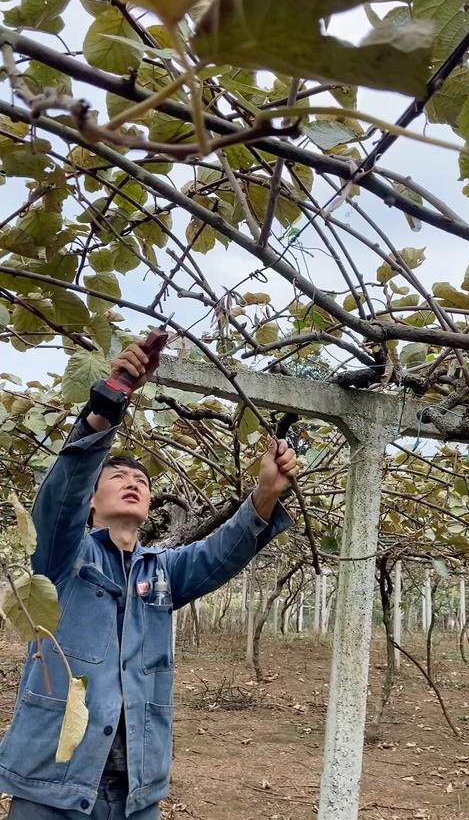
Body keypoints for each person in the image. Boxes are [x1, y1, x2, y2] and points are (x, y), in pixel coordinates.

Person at [0, 341, 297, 820]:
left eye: (141, 480)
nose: (133, 481)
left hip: (136, 787)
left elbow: (220, 553)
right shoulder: (62, 560)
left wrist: (264, 492)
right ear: (91, 504)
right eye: (116, 476)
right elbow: (61, 496)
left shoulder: (161, 570)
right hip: (52, 783)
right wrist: (107, 406)